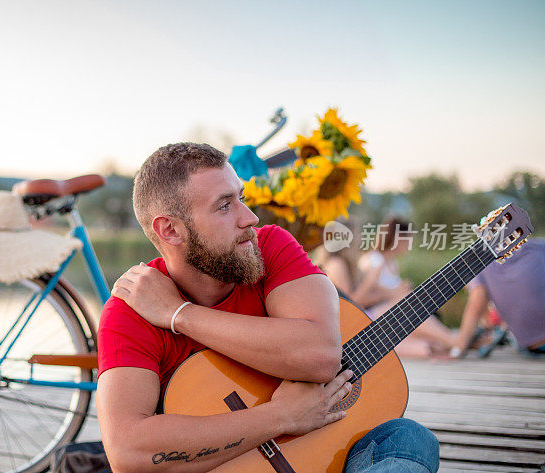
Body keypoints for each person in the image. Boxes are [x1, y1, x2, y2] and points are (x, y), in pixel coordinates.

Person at [95, 143, 439, 473]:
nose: (250, 217)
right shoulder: (130, 310)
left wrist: (180, 314)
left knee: (407, 438)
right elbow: (127, 452)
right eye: (224, 205)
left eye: (241, 198)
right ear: (170, 230)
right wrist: (280, 417)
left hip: (324, 452)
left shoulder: (269, 246)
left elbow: (321, 355)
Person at [357, 218, 458, 358]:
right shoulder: (373, 260)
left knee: (429, 342)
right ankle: (455, 340)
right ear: (397, 238)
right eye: (408, 239)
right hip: (376, 319)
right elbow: (362, 299)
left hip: (393, 318)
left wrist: (400, 291)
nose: (409, 245)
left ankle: (454, 340)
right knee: (410, 304)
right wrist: (396, 292)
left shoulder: (392, 264)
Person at [452, 237, 545, 358]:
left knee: (508, 333)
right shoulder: (539, 246)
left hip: (536, 346)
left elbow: (476, 305)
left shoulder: (479, 262)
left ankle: (501, 330)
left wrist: (458, 349)